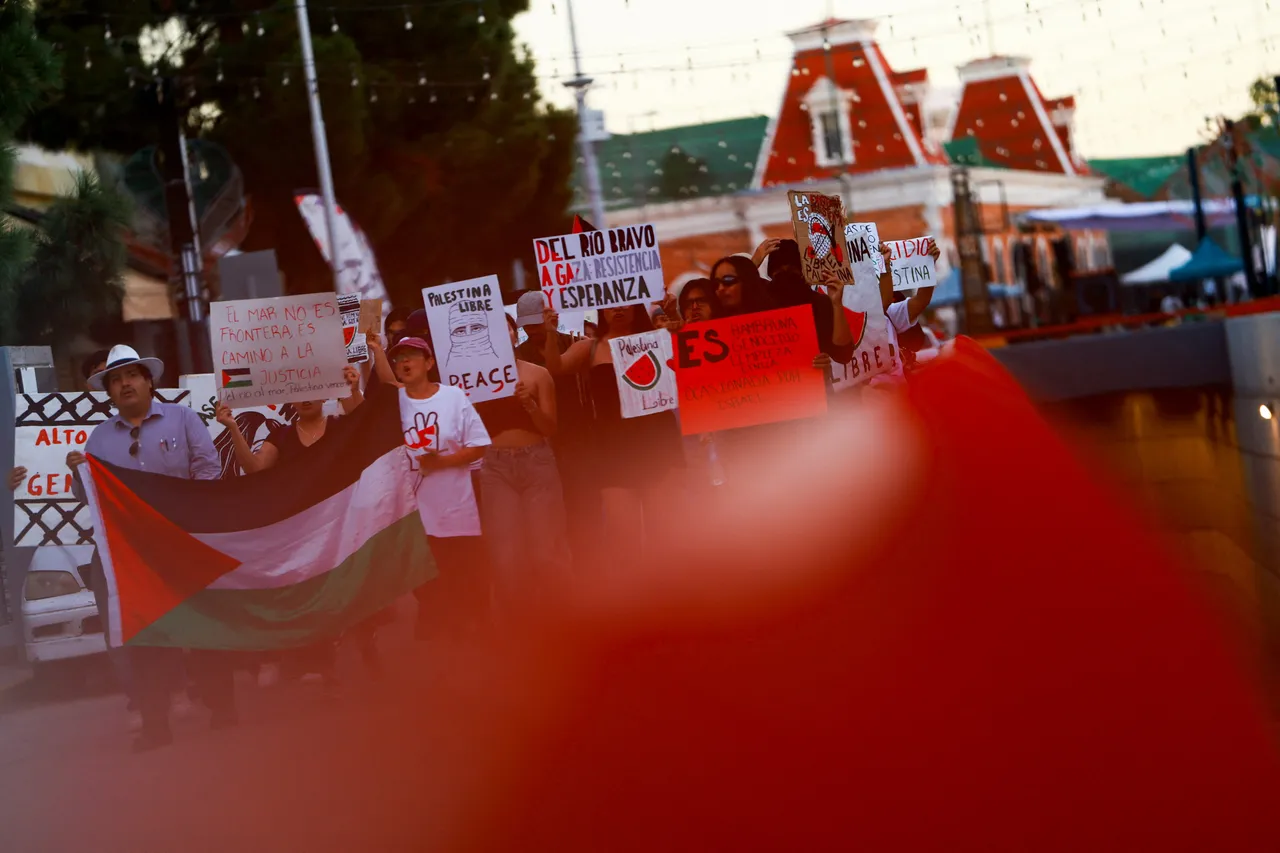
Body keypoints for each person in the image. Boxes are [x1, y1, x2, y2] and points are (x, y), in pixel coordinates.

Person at [67, 345, 232, 752]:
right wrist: (77, 473)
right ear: (108, 390)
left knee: (206, 629)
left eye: (131, 376)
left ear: (148, 381)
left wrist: (190, 518)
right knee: (148, 639)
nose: (124, 384)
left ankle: (222, 706)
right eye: (115, 380)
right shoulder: (100, 439)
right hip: (136, 557)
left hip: (185, 544)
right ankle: (156, 723)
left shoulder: (184, 418)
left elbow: (208, 472)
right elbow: (91, 497)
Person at [215, 366, 369, 687]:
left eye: (312, 390)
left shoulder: (341, 426)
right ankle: (313, 662)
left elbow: (365, 423)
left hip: (340, 526)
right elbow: (255, 470)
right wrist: (232, 427)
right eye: (297, 393)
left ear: (326, 394)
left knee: (340, 593)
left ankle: (361, 657)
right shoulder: (281, 435)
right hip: (299, 531)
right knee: (307, 592)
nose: (305, 399)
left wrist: (353, 388)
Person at [542, 303, 684, 572]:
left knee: (664, 532)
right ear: (602, 311)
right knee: (623, 536)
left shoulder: (658, 336)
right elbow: (556, 366)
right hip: (613, 448)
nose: (617, 310)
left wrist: (674, 320)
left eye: (625, 304)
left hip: (656, 443)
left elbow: (687, 355)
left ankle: (671, 597)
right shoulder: (591, 347)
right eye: (610, 306)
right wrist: (550, 331)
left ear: (636, 306)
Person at [376, 336, 492, 641]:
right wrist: (373, 352)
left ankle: (464, 627)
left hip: (455, 507)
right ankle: (435, 623)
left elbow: (479, 446)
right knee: (423, 576)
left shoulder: (453, 397)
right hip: (413, 511)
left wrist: (442, 462)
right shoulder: (393, 402)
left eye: (412, 357)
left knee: (459, 572)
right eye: (399, 359)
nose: (405, 363)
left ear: (429, 363)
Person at [474, 315, 573, 616]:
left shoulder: (538, 375)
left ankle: (567, 620)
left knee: (547, 551)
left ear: (516, 336)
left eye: (505, 330)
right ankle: (521, 627)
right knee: (507, 557)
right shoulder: (472, 380)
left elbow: (551, 428)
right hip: (495, 467)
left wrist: (529, 404)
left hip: (536, 461)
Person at [513, 291, 595, 565]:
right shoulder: (518, 357)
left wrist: (550, 334)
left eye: (537, 324)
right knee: (552, 517)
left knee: (585, 508)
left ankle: (592, 566)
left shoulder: (573, 343)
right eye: (528, 325)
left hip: (578, 439)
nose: (533, 331)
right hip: (542, 443)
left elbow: (556, 367)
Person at [752, 238, 855, 366]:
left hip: (811, 382)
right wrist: (751, 266)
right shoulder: (760, 298)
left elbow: (843, 354)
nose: (786, 279)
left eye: (791, 270)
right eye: (780, 273)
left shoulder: (820, 303)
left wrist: (836, 304)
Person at [871, 239, 940, 389]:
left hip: (900, 397)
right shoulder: (842, 321)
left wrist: (928, 264)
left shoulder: (890, 314)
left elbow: (922, 300)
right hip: (869, 404)